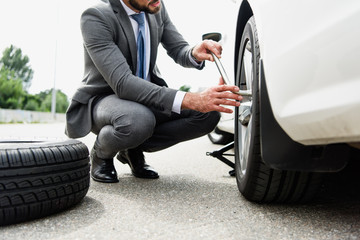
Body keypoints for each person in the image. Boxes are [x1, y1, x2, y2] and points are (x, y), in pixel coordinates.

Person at [65, 0, 242, 183]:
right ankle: (102, 153)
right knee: (138, 120)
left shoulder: (155, 5)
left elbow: (179, 49)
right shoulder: (96, 16)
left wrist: (193, 52)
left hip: (146, 98)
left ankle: (132, 148)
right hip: (106, 99)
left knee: (208, 113)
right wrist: (191, 99)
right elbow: (123, 83)